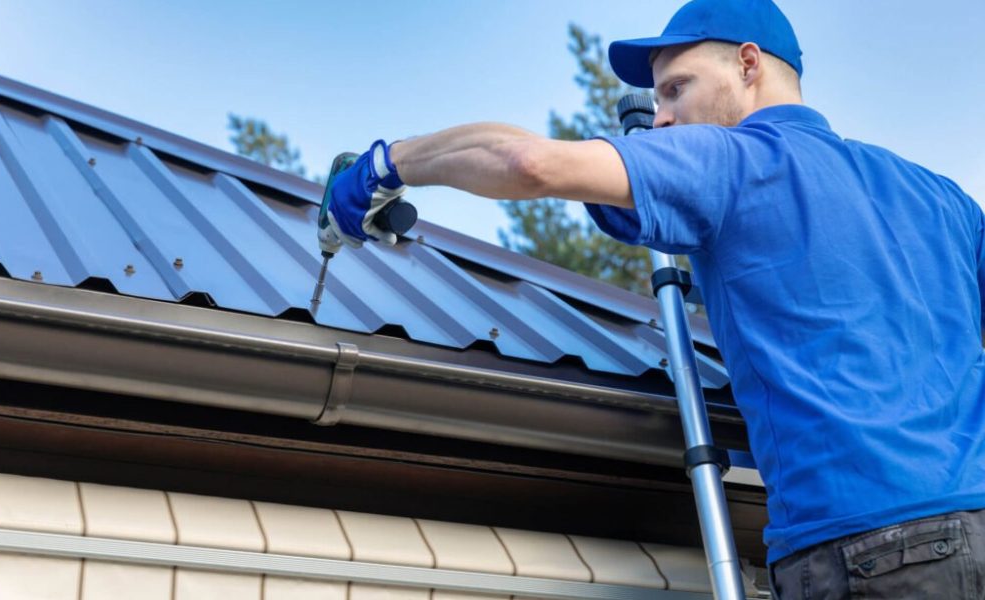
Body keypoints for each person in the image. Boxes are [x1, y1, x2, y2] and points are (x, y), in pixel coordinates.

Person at [320, 0, 985, 597]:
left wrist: (385, 166)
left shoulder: (733, 160)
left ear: (748, 66)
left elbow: (529, 162)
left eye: (676, 88)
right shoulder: (940, 197)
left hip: (867, 548)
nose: (663, 115)